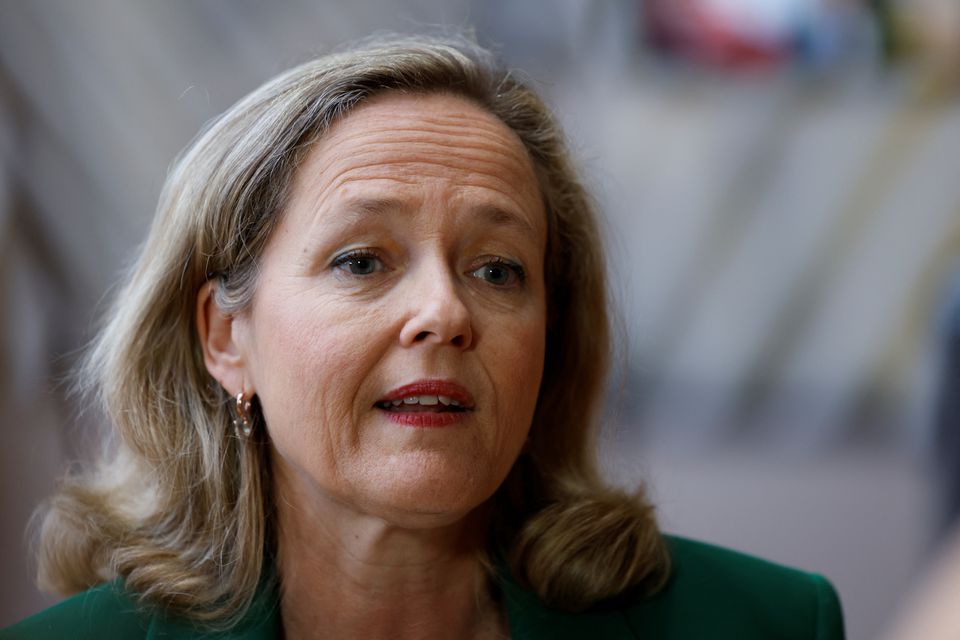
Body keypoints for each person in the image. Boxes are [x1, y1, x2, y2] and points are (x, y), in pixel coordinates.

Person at [0, 34, 844, 639]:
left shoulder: (765, 623)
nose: (445, 312)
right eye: (363, 259)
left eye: (499, 270)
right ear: (227, 338)